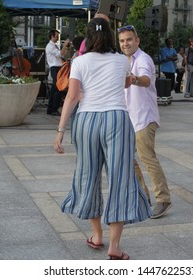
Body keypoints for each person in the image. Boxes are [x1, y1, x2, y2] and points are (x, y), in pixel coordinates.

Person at [53, 18, 151, 260]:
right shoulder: (121, 60)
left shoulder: (79, 61)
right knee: (121, 179)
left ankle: (97, 236)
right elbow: (127, 82)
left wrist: (60, 130)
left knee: (88, 176)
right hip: (117, 120)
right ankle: (114, 247)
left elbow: (72, 97)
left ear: (87, 38)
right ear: (110, 37)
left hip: (86, 121)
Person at [118, 25, 172, 219]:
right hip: (128, 118)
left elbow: (146, 80)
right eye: (122, 41)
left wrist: (132, 79)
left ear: (137, 40)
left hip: (144, 118)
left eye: (129, 40)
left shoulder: (143, 59)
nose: (126, 44)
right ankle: (142, 197)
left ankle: (163, 199)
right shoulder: (123, 61)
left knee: (147, 158)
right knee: (128, 160)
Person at [45, 29, 70, 116]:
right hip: (55, 68)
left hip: (58, 67)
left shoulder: (54, 46)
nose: (57, 38)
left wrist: (65, 48)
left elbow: (62, 55)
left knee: (55, 89)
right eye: (56, 36)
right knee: (58, 88)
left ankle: (51, 108)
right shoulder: (50, 46)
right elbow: (59, 54)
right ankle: (53, 108)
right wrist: (65, 45)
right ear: (52, 36)